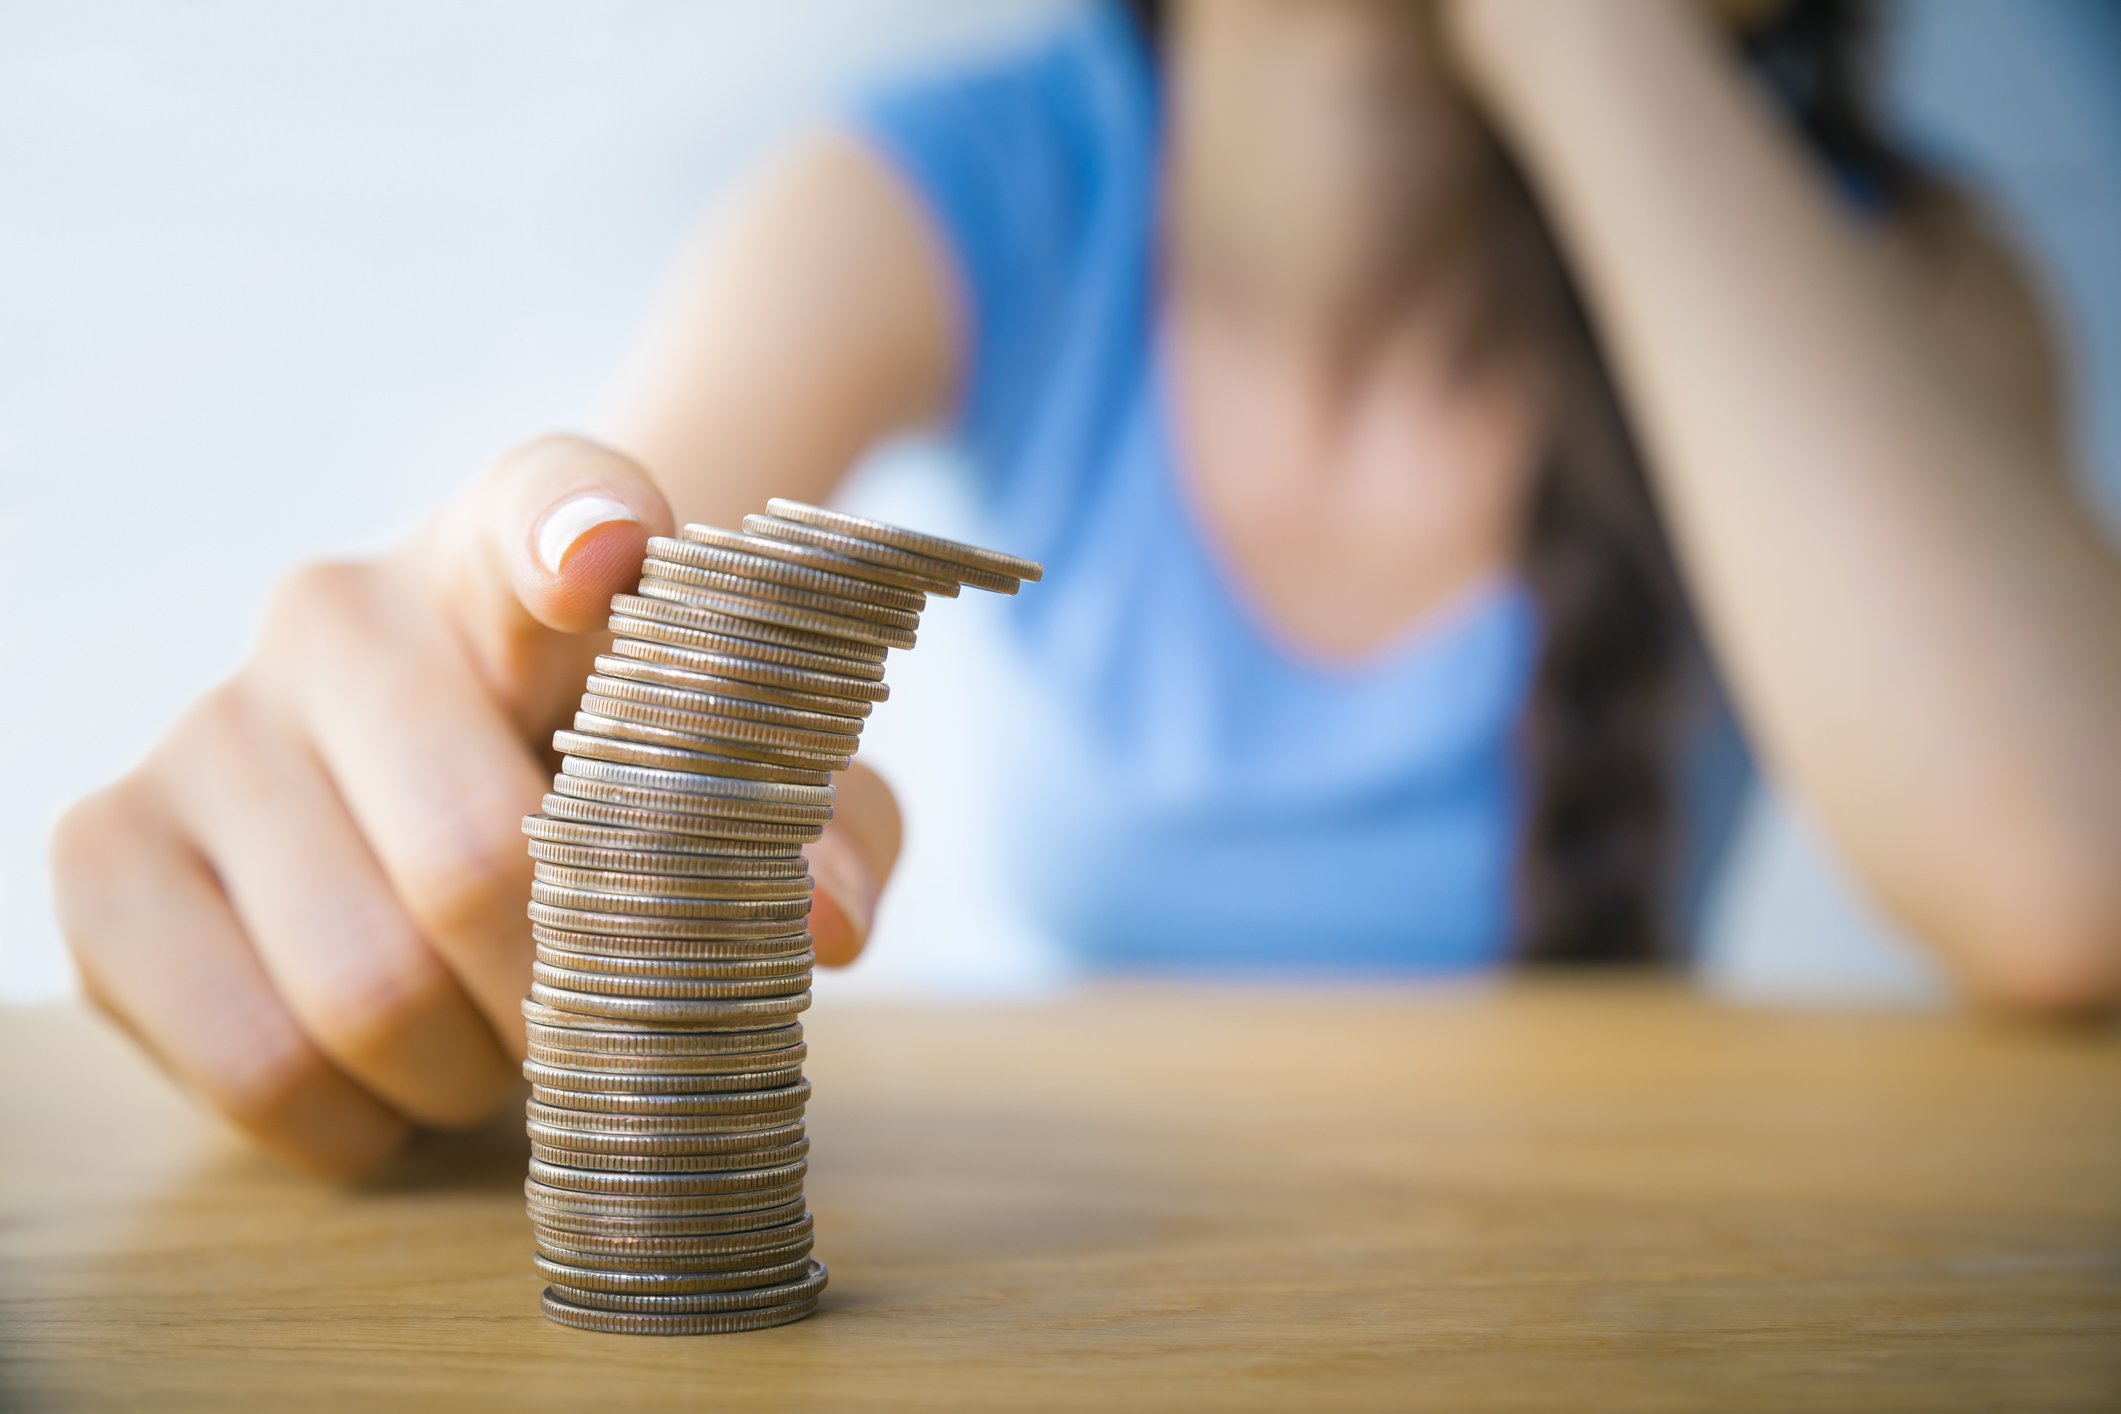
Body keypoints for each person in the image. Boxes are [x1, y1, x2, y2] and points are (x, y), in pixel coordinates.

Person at [49, 0, 2121, 1176]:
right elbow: (576, 667)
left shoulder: (1888, 288)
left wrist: (1585, 38)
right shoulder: (952, 188)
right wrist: (412, 773)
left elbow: (2069, 862)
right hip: (1101, 1260)